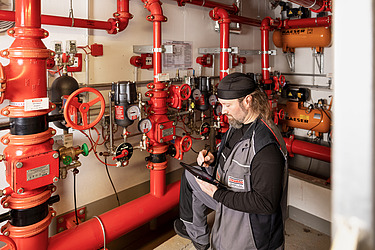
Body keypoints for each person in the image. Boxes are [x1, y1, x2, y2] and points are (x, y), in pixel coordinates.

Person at [174, 72, 288, 250]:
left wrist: (217, 194)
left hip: (253, 231)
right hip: (228, 195)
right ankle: (200, 240)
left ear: (248, 101)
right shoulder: (237, 126)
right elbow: (231, 153)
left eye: (227, 105)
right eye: (221, 105)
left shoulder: (266, 148)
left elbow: (265, 203)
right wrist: (212, 157)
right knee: (190, 177)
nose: (223, 111)